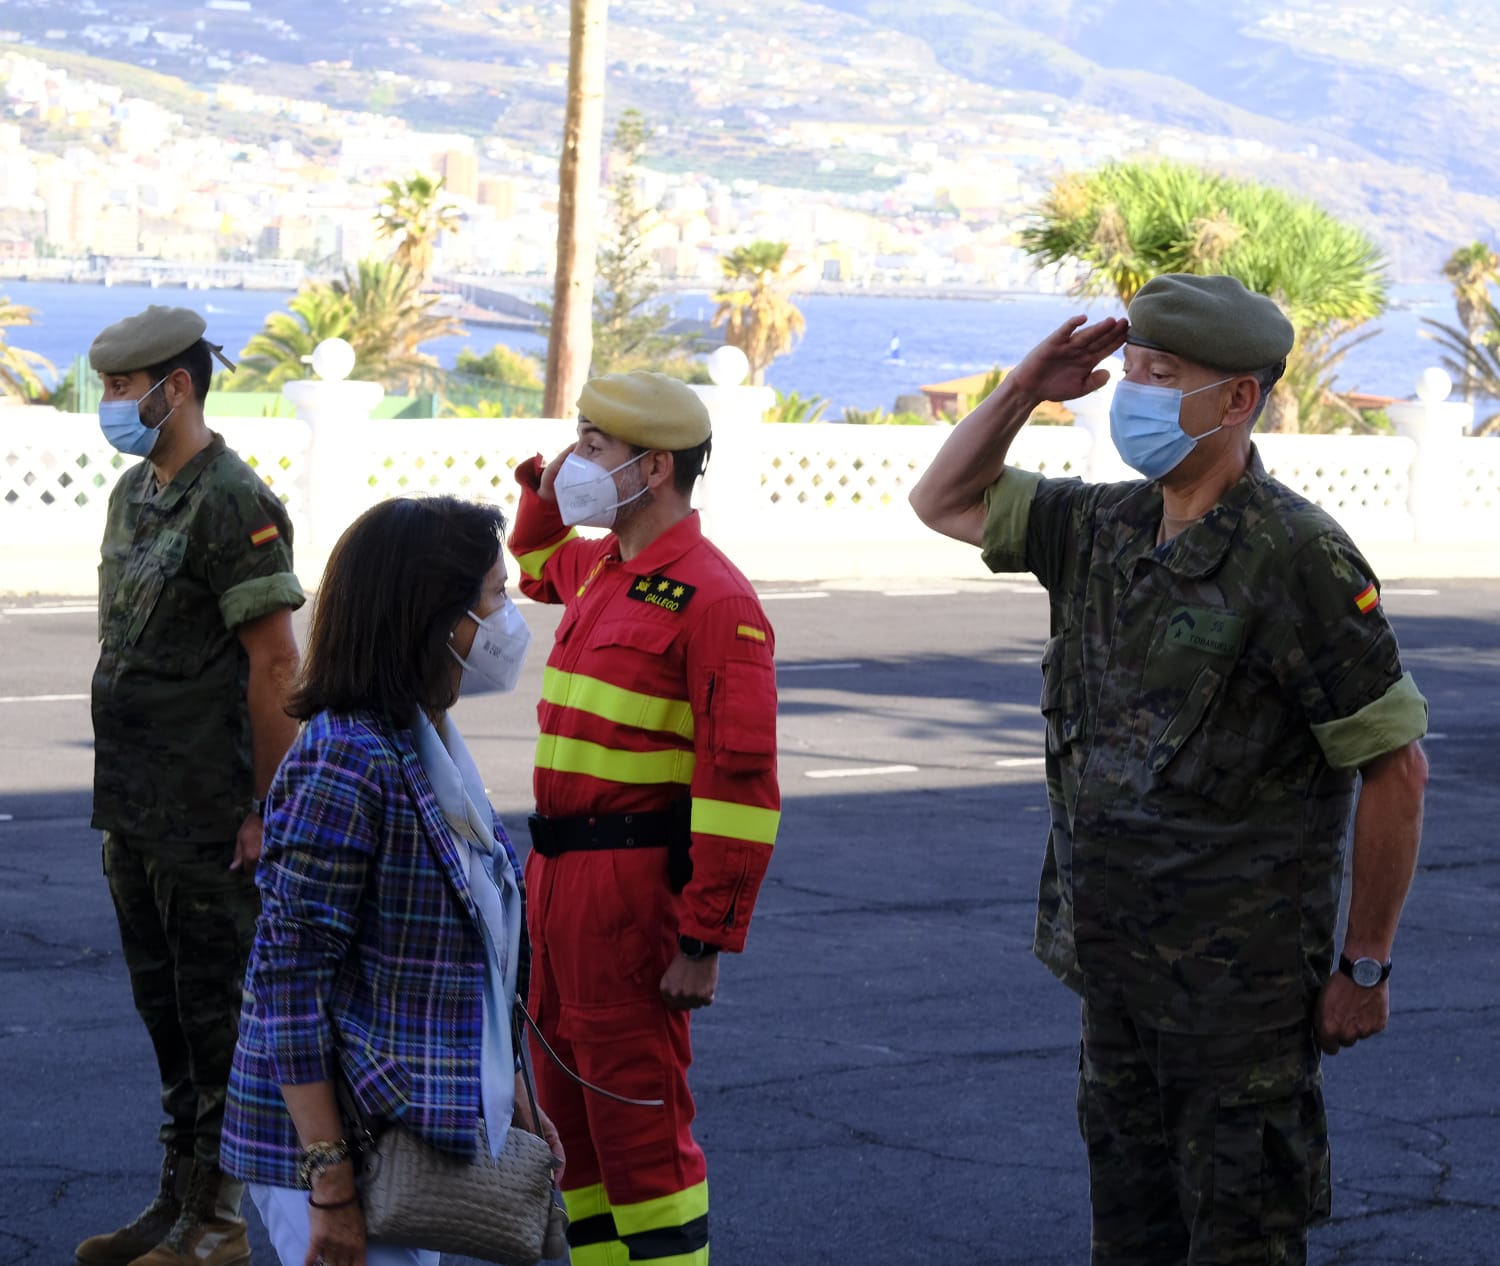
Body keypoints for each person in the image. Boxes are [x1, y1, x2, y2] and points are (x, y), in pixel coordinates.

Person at [909, 274, 1430, 1266]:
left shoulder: (1299, 557)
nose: (1133, 393)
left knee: (1240, 1245)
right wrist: (1026, 386)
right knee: (1131, 1242)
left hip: (1239, 1006)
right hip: (1116, 982)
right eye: (1132, 369)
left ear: (1237, 398)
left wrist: (1365, 964)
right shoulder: (1101, 528)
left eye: (1162, 374)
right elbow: (944, 500)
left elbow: (1395, 770)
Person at [220, 495, 563, 1266]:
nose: (508, 620)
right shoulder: (346, 756)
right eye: (494, 596)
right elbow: (288, 981)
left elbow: (478, 957)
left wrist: (521, 1106)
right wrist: (331, 1185)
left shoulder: (428, 739)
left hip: (429, 1126)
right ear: (432, 617)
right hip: (351, 1148)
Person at [508, 371, 781, 1266]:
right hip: (557, 887)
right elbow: (536, 567)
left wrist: (704, 941)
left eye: (594, 446)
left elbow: (740, 788)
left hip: (629, 896)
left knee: (640, 1133)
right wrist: (546, 487)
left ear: (654, 468)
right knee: (569, 1132)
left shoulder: (716, 600)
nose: (575, 459)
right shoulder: (604, 567)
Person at [79, 307, 305, 1266]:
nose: (111, 405)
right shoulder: (136, 495)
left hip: (210, 813)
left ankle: (216, 1222)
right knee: (165, 1014)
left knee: (218, 1020)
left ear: (177, 388)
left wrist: (265, 806)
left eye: (125, 389)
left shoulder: (233, 500)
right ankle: (173, 1204)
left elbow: (275, 667)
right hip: (134, 809)